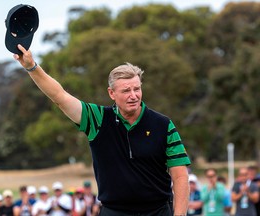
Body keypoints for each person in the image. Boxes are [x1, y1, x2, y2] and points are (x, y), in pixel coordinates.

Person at [13, 44, 191, 216]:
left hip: (158, 211)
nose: (133, 95)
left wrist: (180, 214)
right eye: (126, 90)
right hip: (114, 211)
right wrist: (31, 67)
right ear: (112, 93)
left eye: (137, 89)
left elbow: (180, 176)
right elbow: (60, 97)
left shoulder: (163, 124)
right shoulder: (97, 119)